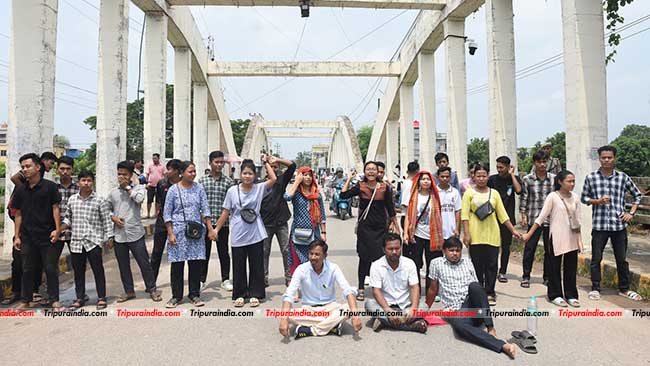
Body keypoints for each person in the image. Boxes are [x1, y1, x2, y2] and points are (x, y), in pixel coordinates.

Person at [425, 237, 517, 359]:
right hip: (456, 311)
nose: (455, 254)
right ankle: (502, 346)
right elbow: (432, 289)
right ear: (444, 251)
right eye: (451, 250)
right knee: (459, 326)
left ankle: (490, 327)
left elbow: (477, 290)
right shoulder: (436, 263)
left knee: (475, 286)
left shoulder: (467, 262)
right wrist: (425, 309)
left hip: (473, 306)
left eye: (457, 251)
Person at [581, 145, 643, 301]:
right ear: (599, 159)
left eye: (609, 157)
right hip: (600, 225)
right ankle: (595, 288)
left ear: (614, 158)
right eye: (603, 157)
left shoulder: (622, 177)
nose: (606, 160)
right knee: (596, 259)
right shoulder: (591, 177)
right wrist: (597, 201)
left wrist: (631, 213)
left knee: (621, 259)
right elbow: (584, 198)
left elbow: (637, 195)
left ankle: (624, 288)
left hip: (619, 225)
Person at [215, 156, 277, 307]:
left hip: (255, 232)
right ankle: (240, 294)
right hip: (238, 233)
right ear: (240, 174)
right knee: (239, 265)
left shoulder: (259, 188)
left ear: (255, 175)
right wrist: (216, 229)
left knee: (257, 265)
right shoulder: (232, 191)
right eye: (245, 173)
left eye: (250, 173)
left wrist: (265, 163)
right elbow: (225, 211)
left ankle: (256, 293)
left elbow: (274, 178)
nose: (247, 176)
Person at [462, 164, 522, 305]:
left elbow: (502, 215)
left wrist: (513, 230)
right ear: (474, 177)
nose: (481, 179)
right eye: (478, 176)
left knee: (492, 265)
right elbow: (465, 216)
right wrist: (466, 234)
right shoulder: (469, 193)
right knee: (477, 265)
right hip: (475, 234)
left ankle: (490, 292)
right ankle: (479, 292)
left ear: (488, 176)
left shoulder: (494, 193)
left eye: (484, 176)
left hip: (492, 234)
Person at [340, 161, 399, 301]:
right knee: (364, 258)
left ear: (378, 171)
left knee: (380, 259)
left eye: (374, 169)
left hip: (380, 228)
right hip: (365, 228)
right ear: (365, 172)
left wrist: (396, 226)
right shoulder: (360, 186)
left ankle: (380, 288)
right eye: (368, 169)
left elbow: (391, 209)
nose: (371, 172)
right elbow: (343, 196)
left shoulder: (385, 188)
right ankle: (361, 288)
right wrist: (349, 178)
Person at [279, 240, 362, 339]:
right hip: (309, 309)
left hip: (330, 307)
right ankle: (331, 326)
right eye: (311, 254)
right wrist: (284, 319)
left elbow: (348, 291)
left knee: (349, 308)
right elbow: (289, 294)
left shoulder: (333, 268)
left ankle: (310, 330)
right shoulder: (301, 269)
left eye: (317, 254)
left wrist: (355, 316)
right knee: (286, 313)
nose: (313, 257)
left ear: (325, 255)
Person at [11, 153, 63, 311]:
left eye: (28, 166)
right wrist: (17, 236)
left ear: (38, 167)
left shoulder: (50, 187)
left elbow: (56, 209)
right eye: (23, 167)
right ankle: (26, 300)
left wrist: (57, 230)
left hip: (47, 235)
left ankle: (54, 300)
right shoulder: (20, 190)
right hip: (27, 237)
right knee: (27, 268)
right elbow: (18, 214)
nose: (25, 169)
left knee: (50, 268)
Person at [523, 170, 582, 307]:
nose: (572, 184)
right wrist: (529, 235)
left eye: (573, 181)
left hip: (571, 237)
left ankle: (571, 294)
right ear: (560, 182)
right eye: (569, 181)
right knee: (554, 267)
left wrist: (580, 241)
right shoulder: (553, 197)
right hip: (556, 236)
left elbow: (578, 220)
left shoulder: (576, 197)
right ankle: (555, 294)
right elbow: (541, 218)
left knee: (571, 267)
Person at [163, 161, 217, 308]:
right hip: (178, 232)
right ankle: (176, 296)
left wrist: (210, 228)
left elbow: (205, 209)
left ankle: (194, 294)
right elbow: (167, 213)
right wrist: (170, 233)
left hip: (195, 232)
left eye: (194, 171)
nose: (193, 174)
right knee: (177, 265)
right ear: (182, 173)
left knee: (195, 264)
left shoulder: (199, 189)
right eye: (190, 171)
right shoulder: (173, 190)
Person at [106, 161, 161, 303]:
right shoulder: (113, 193)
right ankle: (129, 291)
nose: (121, 177)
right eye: (119, 174)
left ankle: (152, 289)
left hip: (135, 233)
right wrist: (113, 218)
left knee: (144, 263)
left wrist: (128, 188)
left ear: (130, 175)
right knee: (123, 265)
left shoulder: (139, 188)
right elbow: (107, 209)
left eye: (124, 174)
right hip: (119, 235)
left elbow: (139, 199)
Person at [61, 170, 112, 310]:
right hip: (76, 241)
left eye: (89, 180)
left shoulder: (99, 200)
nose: (86, 183)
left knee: (98, 270)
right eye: (83, 180)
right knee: (78, 271)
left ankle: (101, 297)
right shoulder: (72, 200)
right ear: (78, 182)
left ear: (92, 182)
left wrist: (109, 237)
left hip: (93, 241)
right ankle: (80, 297)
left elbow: (106, 220)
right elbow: (68, 218)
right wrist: (60, 229)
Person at [365, 233, 427, 333]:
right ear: (383, 249)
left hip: (406, 306)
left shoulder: (409, 263)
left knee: (424, 307)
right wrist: (388, 311)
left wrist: (414, 308)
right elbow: (376, 291)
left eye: (397, 248)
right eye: (390, 249)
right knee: (369, 304)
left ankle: (384, 321)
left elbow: (414, 287)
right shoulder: (377, 265)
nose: (394, 252)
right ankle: (411, 326)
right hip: (386, 306)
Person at [198, 151, 235, 292]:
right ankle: (201, 279)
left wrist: (216, 229)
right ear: (210, 163)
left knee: (223, 253)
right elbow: (199, 204)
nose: (219, 165)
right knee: (203, 253)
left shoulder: (228, 182)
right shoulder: (202, 181)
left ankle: (225, 279)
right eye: (216, 162)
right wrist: (208, 226)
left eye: (221, 162)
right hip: (204, 224)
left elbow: (229, 207)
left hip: (222, 224)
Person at [402, 171, 444, 292]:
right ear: (418, 182)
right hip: (416, 235)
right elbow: (408, 217)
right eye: (423, 179)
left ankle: (431, 290)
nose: (426, 181)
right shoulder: (413, 196)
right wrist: (405, 233)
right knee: (415, 263)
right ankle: (416, 289)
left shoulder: (435, 196)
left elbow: (439, 215)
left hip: (432, 235)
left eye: (428, 179)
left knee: (432, 264)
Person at [520, 151, 555, 288]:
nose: (542, 164)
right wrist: (523, 215)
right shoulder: (528, 179)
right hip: (534, 218)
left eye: (544, 162)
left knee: (549, 250)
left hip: (550, 219)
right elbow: (524, 198)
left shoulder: (554, 179)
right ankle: (526, 276)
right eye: (539, 162)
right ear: (534, 163)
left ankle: (547, 277)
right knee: (530, 248)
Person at [260, 156, 296, 287]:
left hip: (281, 222)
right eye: (271, 167)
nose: (273, 169)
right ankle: (263, 278)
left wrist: (278, 160)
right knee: (264, 251)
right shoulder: (260, 184)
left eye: (275, 167)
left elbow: (292, 166)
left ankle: (289, 277)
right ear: (266, 168)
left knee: (286, 250)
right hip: (265, 223)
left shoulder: (282, 180)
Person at [285, 166, 327, 280]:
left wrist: (323, 232)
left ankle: (313, 285)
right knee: (297, 260)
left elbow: (322, 215)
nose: (307, 178)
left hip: (314, 232)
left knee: (315, 259)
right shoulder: (297, 193)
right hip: (298, 232)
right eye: (304, 175)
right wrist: (296, 182)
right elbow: (287, 197)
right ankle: (297, 287)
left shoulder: (316, 194)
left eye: (309, 175)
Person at [487, 156, 522, 283]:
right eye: (497, 167)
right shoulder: (492, 180)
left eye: (502, 167)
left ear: (508, 167)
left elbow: (518, 190)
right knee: (492, 245)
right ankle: (491, 269)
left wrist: (512, 175)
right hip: (493, 217)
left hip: (508, 218)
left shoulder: (514, 179)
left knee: (506, 247)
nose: (499, 170)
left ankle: (503, 271)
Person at [150, 159, 182, 281]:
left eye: (169, 169)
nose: (166, 171)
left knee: (176, 254)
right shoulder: (162, 184)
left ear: (177, 171)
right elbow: (158, 201)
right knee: (157, 252)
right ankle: (151, 281)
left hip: (177, 223)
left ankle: (175, 282)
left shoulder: (183, 185)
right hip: (162, 222)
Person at [146, 153, 166, 218]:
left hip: (160, 186)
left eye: (155, 158)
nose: (154, 159)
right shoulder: (150, 166)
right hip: (151, 185)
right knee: (149, 200)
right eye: (153, 158)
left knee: (158, 200)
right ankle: (148, 214)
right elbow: (147, 175)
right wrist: (147, 183)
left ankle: (156, 214)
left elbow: (165, 175)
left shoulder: (162, 166)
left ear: (158, 158)